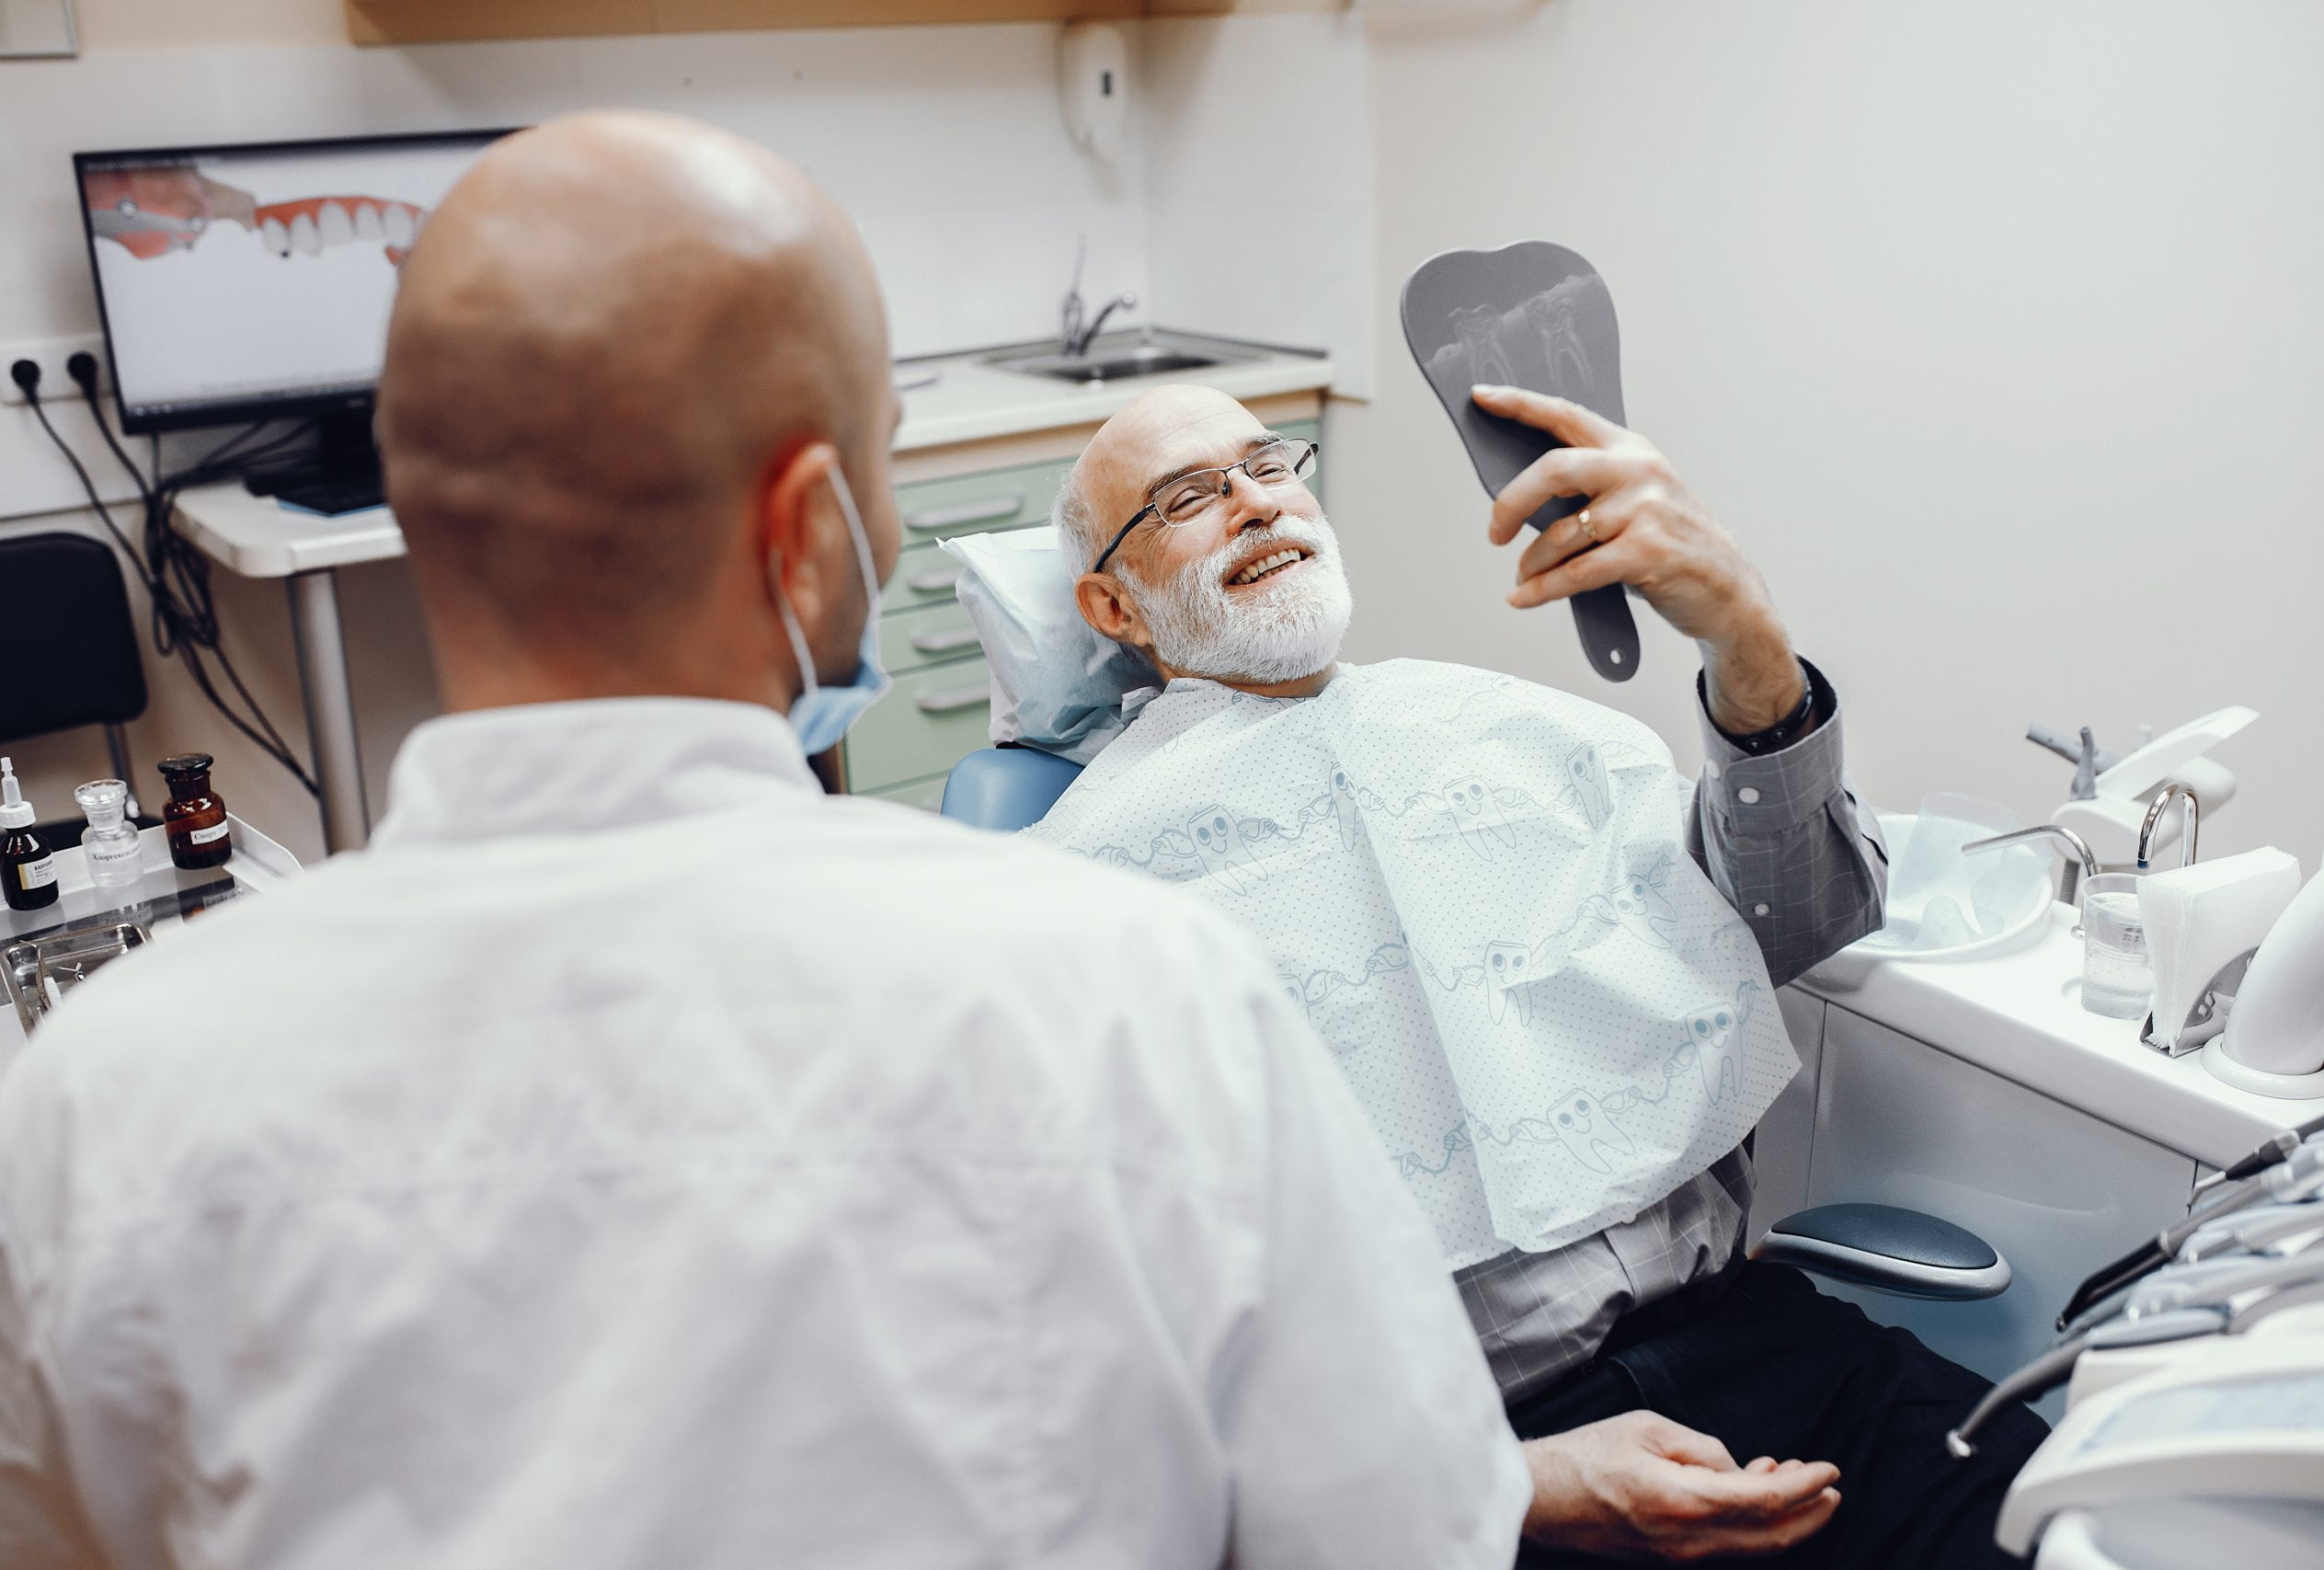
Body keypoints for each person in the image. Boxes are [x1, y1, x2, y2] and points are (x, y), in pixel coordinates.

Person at [0, 115, 1530, 1569]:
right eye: (886, 459)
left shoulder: (94, 1102)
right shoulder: (1135, 995)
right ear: (806, 534)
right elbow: (1403, 1530)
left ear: (425, 505)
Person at [1027, 383, 2050, 1566]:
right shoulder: (1076, 902)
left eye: (1269, 465)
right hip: (1451, 1459)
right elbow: (1105, 1379)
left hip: (1769, 1356)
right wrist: (1508, 1486)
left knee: (2077, 1524)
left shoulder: (1515, 733)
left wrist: (1743, 636)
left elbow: (1807, 916)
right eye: (1188, 498)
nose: (1255, 504)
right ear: (1114, 604)